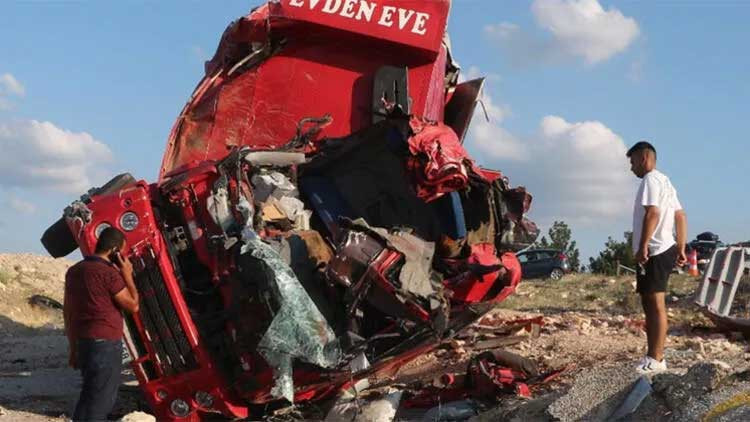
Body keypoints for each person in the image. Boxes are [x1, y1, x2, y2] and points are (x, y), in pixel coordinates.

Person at [63, 227, 139, 421]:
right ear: (115, 251)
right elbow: (133, 305)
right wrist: (127, 274)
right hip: (105, 345)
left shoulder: (74, 271)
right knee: (100, 403)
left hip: (84, 342)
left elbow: (68, 313)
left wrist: (73, 348)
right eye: (122, 252)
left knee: (90, 396)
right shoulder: (109, 274)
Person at [627, 141, 687, 374]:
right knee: (651, 303)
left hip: (654, 250)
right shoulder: (665, 181)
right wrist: (680, 247)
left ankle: (656, 359)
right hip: (665, 247)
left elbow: (653, 212)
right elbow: (680, 216)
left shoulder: (650, 180)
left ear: (644, 158)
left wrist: (643, 246)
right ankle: (653, 356)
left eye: (633, 162)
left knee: (654, 304)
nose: (631, 167)